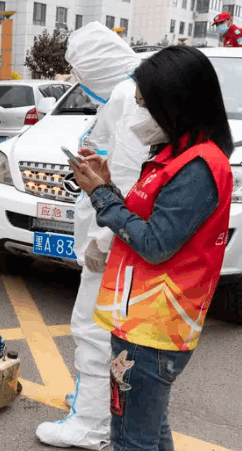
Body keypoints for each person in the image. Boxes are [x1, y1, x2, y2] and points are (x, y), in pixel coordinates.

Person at [72, 46, 233, 451]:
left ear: (173, 102)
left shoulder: (198, 167)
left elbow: (155, 243)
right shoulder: (170, 156)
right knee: (151, 431)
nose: (138, 114)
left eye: (144, 104)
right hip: (141, 322)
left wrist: (102, 197)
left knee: (130, 440)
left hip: (154, 329)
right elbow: (148, 217)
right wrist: (107, 183)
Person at [36, 21, 147, 450]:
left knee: (93, 330)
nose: (79, 84)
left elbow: (130, 178)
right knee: (104, 332)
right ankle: (95, 402)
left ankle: (89, 424)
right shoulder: (133, 93)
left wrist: (102, 241)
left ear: (96, 68)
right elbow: (125, 164)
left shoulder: (125, 97)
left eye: (80, 73)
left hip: (112, 241)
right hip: (116, 237)